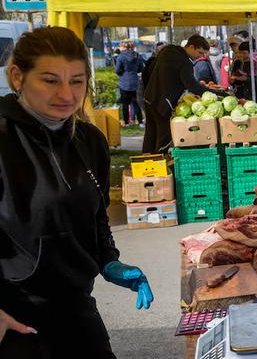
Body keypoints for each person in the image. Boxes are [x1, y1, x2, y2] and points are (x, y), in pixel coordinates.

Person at [0, 27, 153, 358]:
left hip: (77, 308)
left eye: (77, 81)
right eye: (50, 80)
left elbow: (97, 216)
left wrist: (108, 261)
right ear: (17, 76)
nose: (66, 94)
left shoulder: (89, 140)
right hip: (14, 317)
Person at [142, 35, 214, 154]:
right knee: (165, 134)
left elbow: (149, 69)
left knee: (151, 132)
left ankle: (146, 161)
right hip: (163, 103)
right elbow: (191, 85)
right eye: (200, 52)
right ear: (191, 47)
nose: (200, 57)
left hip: (149, 97)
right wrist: (212, 93)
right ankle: (160, 161)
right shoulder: (185, 62)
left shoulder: (167, 50)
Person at [114, 41, 144, 126]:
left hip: (124, 83)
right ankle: (140, 122)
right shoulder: (137, 55)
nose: (119, 48)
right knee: (136, 103)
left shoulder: (121, 56)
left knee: (125, 104)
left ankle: (126, 123)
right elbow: (141, 68)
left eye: (120, 46)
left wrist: (122, 73)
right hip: (135, 82)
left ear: (123, 47)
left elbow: (117, 70)